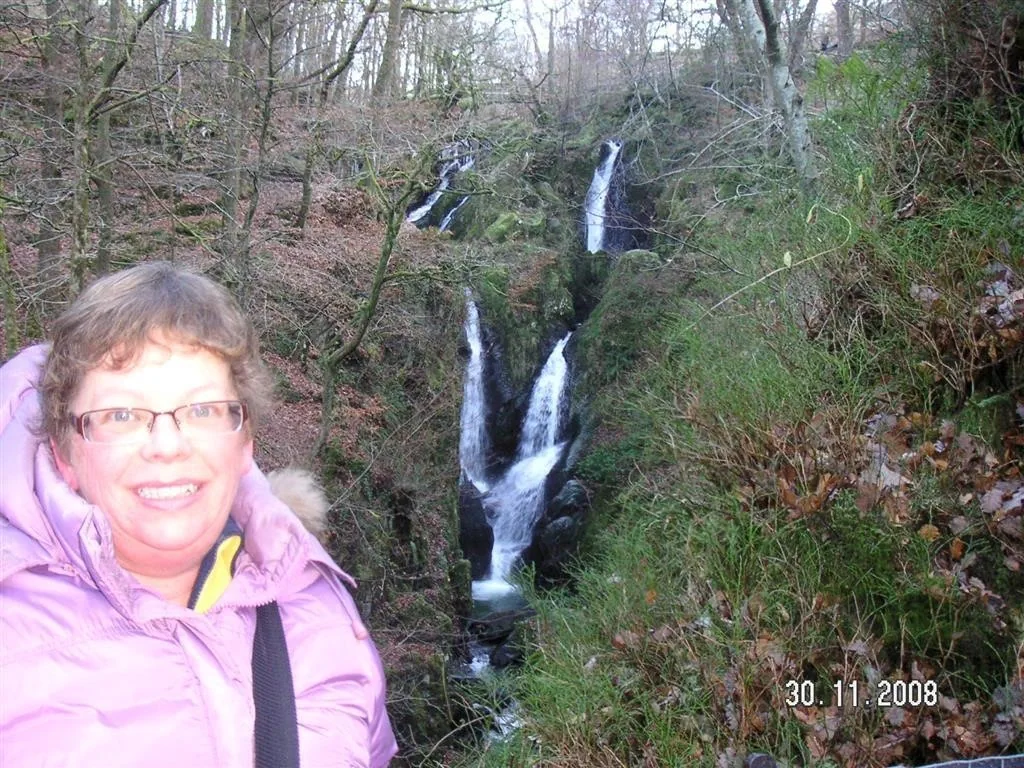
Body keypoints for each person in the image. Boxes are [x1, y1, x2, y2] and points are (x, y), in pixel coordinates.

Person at [0, 262, 398, 767]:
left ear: (245, 440)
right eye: (121, 415)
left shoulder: (319, 610)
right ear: (65, 453)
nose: (167, 446)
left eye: (203, 410)